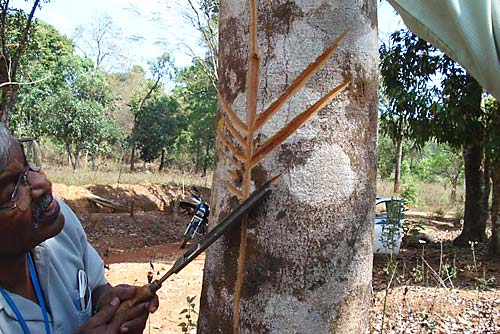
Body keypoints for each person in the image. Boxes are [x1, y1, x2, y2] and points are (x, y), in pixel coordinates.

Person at [0, 123, 159, 334]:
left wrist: (108, 304)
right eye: (12, 189)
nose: (44, 183)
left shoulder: (59, 226)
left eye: (29, 165)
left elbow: (94, 289)